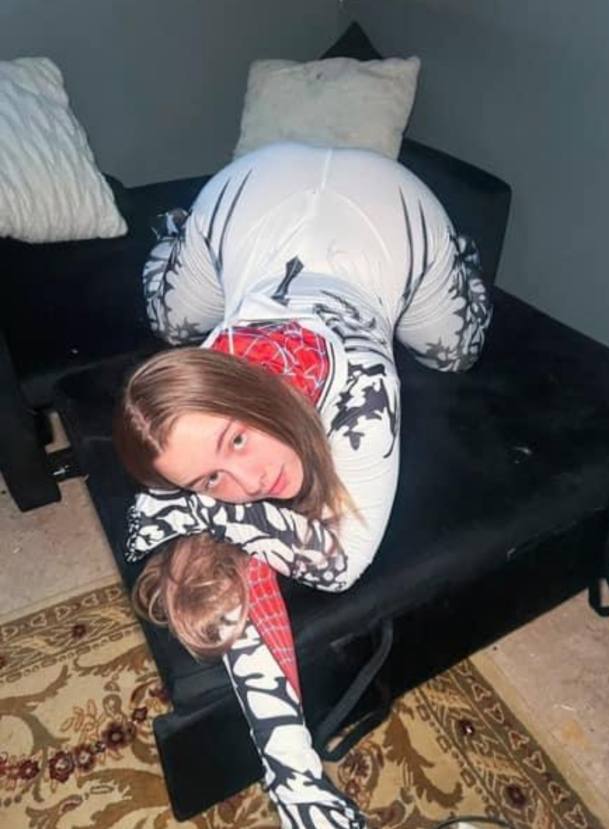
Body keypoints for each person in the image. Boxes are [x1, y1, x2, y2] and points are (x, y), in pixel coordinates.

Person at [114, 141, 492, 828]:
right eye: (212, 477)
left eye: (237, 438)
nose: (252, 479)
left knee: (455, 351)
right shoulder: (212, 381)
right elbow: (220, 531)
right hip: (244, 201)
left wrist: (205, 509)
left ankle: (455, 251)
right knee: (171, 323)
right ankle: (178, 235)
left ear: (244, 387)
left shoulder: (362, 381)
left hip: (392, 206)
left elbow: (341, 561)